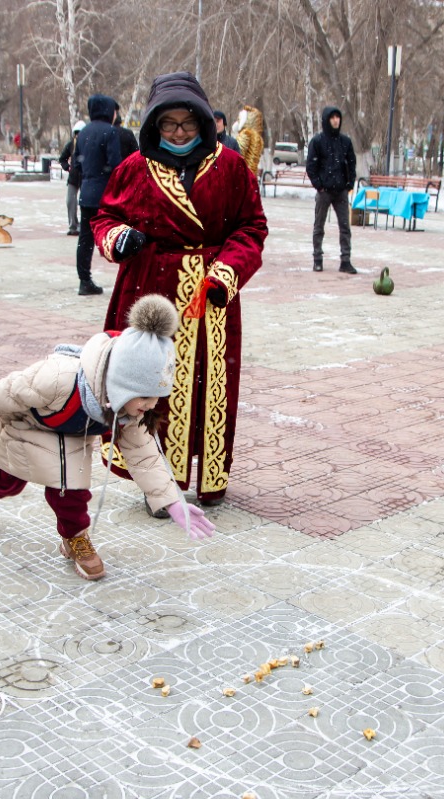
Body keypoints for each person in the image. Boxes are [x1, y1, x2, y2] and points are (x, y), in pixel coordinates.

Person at [92, 71, 268, 510]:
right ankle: (158, 483)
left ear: (204, 122)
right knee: (150, 386)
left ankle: (209, 472)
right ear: (154, 123)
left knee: (210, 385)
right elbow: (103, 218)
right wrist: (118, 238)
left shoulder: (229, 167)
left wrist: (226, 273)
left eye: (187, 123)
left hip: (209, 294)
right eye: (168, 124)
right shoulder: (134, 168)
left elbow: (251, 227)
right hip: (150, 287)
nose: (178, 132)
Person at [0, 294, 215, 580]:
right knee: (7, 483)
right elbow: (3, 393)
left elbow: (144, 455)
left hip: (72, 436)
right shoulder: (57, 377)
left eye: (156, 398)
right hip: (27, 427)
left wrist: (171, 501)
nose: (150, 406)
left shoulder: (128, 411)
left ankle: (75, 537)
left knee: (70, 491)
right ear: (122, 384)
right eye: (146, 397)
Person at [75, 94, 124, 296]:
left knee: (85, 238)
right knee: (115, 235)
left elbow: (77, 163)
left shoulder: (84, 131)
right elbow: (116, 165)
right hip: (105, 195)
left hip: (86, 192)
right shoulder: (110, 132)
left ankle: (84, 279)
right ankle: (126, 281)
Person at [305, 105, 357, 274]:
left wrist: (349, 183)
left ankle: (345, 260)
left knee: (345, 226)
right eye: (332, 118)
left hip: (341, 190)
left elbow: (351, 162)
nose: (336, 121)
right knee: (319, 225)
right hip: (324, 190)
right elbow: (311, 166)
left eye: (338, 117)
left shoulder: (345, 142)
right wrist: (319, 185)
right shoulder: (318, 141)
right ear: (327, 120)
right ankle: (317, 259)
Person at [58, 120, 84, 236]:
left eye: (80, 133)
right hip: (73, 178)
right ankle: (73, 225)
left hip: (85, 178)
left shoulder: (89, 145)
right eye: (77, 133)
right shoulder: (71, 145)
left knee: (85, 203)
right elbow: (62, 158)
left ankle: (85, 226)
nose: (78, 135)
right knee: (70, 201)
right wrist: (67, 167)